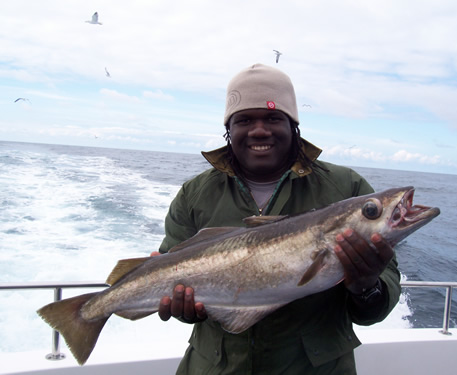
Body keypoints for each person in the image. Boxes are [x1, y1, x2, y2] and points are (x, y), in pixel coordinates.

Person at [151, 63, 401, 374]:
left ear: (293, 125)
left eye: (273, 117)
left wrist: (367, 287)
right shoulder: (195, 194)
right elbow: (168, 274)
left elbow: (378, 300)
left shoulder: (347, 189)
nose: (259, 130)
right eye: (244, 120)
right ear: (229, 129)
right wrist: (185, 309)